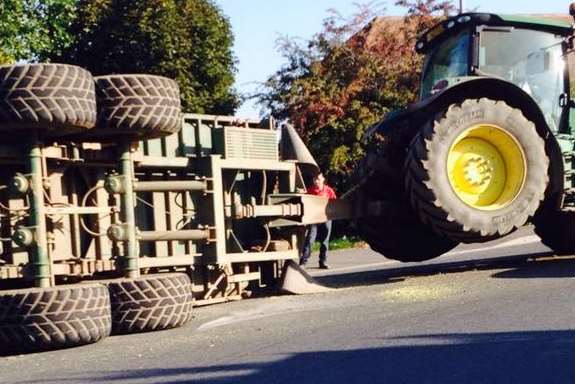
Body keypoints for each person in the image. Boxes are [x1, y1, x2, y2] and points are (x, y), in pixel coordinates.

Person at [300, 173, 337, 269]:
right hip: (314, 218)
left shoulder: (329, 190)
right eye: (314, 179)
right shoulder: (310, 191)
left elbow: (334, 203)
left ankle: (323, 262)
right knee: (310, 240)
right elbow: (305, 203)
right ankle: (303, 262)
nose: (316, 181)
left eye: (318, 179)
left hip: (326, 218)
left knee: (325, 241)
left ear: (323, 179)